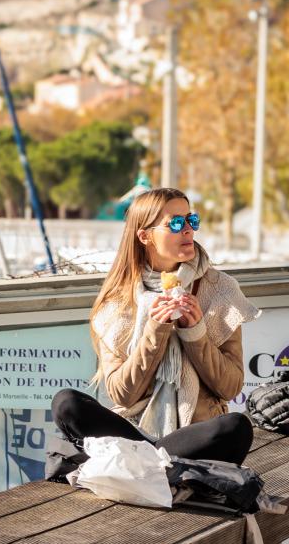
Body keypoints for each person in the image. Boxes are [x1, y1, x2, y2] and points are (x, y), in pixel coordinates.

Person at [50, 187, 258, 478]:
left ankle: (140, 466)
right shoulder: (117, 301)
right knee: (66, 403)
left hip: (194, 435)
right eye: (176, 223)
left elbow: (230, 387)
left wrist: (195, 333)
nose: (188, 230)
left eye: (191, 220)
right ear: (144, 236)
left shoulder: (220, 289)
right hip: (133, 431)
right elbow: (123, 395)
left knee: (235, 427)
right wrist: (155, 330)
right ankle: (160, 466)